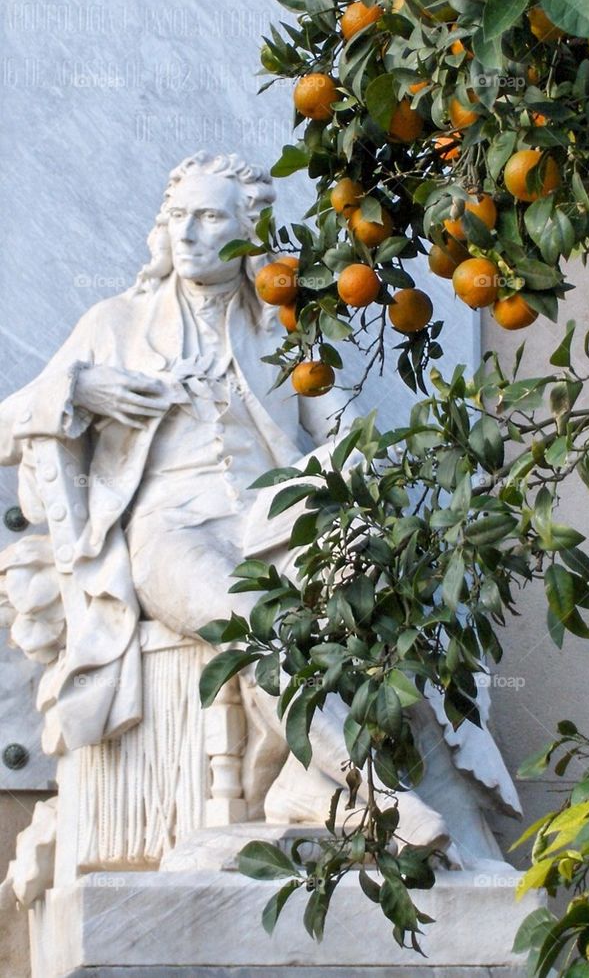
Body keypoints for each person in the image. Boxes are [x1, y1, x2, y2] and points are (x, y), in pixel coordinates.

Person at [0, 152, 520, 865]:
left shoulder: (283, 326)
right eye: (178, 217)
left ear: (247, 231)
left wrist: (358, 479)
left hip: (270, 519)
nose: (188, 234)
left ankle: (423, 828)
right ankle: (375, 793)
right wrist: (81, 388)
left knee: (385, 614)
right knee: (259, 622)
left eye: (209, 217)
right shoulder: (116, 324)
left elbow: (344, 433)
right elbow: (7, 425)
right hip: (170, 531)